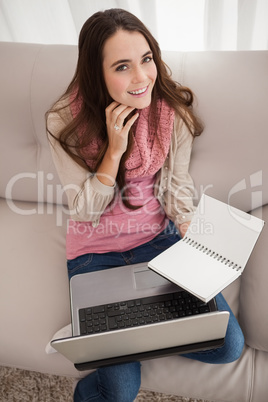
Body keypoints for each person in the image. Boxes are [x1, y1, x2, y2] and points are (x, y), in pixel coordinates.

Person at [46, 8, 244, 402]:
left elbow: (177, 187)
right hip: (95, 256)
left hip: (159, 244)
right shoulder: (62, 119)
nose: (141, 78)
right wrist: (113, 152)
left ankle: (132, 333)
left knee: (228, 346)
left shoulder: (171, 113)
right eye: (122, 66)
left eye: (146, 59)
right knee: (119, 393)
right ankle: (114, 340)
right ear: (96, 73)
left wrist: (186, 224)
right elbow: (84, 210)